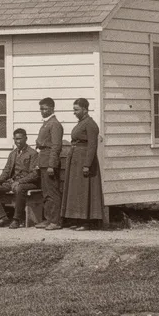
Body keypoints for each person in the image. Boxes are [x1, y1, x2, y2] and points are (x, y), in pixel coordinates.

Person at [63, 98, 106, 230]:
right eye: (74, 109)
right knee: (77, 190)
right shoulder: (81, 123)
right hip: (76, 160)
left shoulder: (90, 124)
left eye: (76, 110)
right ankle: (77, 218)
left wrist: (87, 164)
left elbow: (92, 146)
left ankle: (86, 222)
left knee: (85, 191)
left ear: (85, 109)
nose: (74, 112)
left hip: (85, 161)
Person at [0, 127, 38, 228]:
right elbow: (6, 170)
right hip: (12, 182)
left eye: (20, 138)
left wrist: (20, 181)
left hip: (28, 183)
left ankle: (17, 219)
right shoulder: (13, 154)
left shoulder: (33, 153)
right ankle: (2, 217)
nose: (17, 141)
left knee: (19, 188)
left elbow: (34, 174)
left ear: (26, 138)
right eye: (15, 139)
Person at [34, 97, 64, 231]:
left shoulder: (55, 124)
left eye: (45, 108)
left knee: (52, 192)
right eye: (41, 108)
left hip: (49, 163)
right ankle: (48, 219)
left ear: (52, 108)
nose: (43, 111)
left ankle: (56, 221)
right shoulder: (46, 123)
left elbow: (56, 146)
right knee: (46, 192)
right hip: (43, 161)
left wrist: (52, 165)